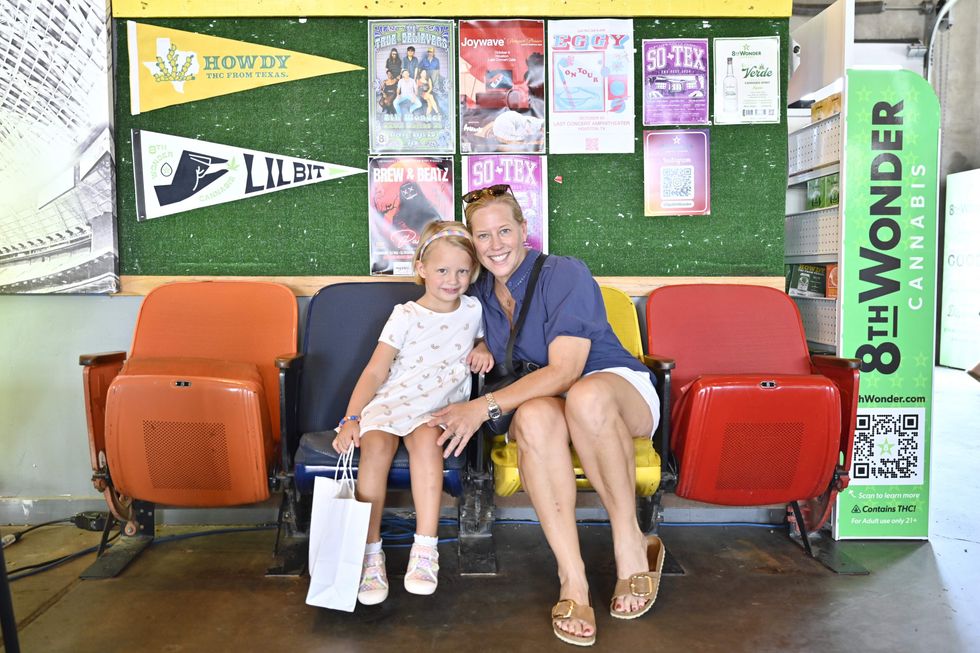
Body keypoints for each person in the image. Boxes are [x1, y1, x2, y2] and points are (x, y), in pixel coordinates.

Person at [429, 186, 664, 647]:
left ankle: (631, 546)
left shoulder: (564, 273)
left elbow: (566, 372)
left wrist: (480, 408)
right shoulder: (477, 288)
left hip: (611, 389)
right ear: (473, 244)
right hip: (548, 404)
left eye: (504, 231)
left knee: (587, 396)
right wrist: (479, 345)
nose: (495, 244)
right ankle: (572, 577)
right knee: (534, 417)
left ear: (523, 231)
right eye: (483, 236)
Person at [332, 221, 494, 606]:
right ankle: (371, 553)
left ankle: (425, 549)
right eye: (442, 270)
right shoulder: (405, 315)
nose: (452, 280)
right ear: (421, 267)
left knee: (427, 446)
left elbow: (483, 338)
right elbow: (375, 370)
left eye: (462, 271)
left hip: (437, 409)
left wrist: (484, 347)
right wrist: (351, 418)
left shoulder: (473, 309)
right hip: (392, 402)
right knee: (375, 450)